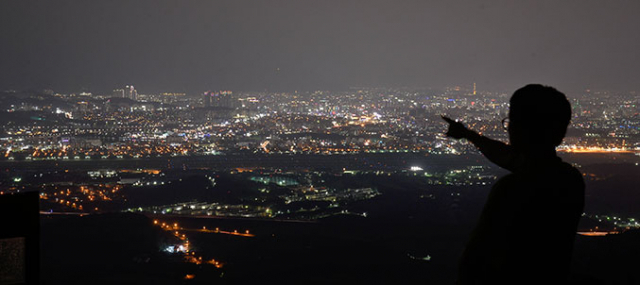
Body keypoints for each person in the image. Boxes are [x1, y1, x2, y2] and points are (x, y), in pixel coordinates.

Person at [442, 84, 585, 284]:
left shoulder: (510, 190)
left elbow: (474, 260)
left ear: (519, 128)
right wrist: (469, 135)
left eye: (512, 122)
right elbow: (514, 159)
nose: (508, 128)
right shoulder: (570, 181)